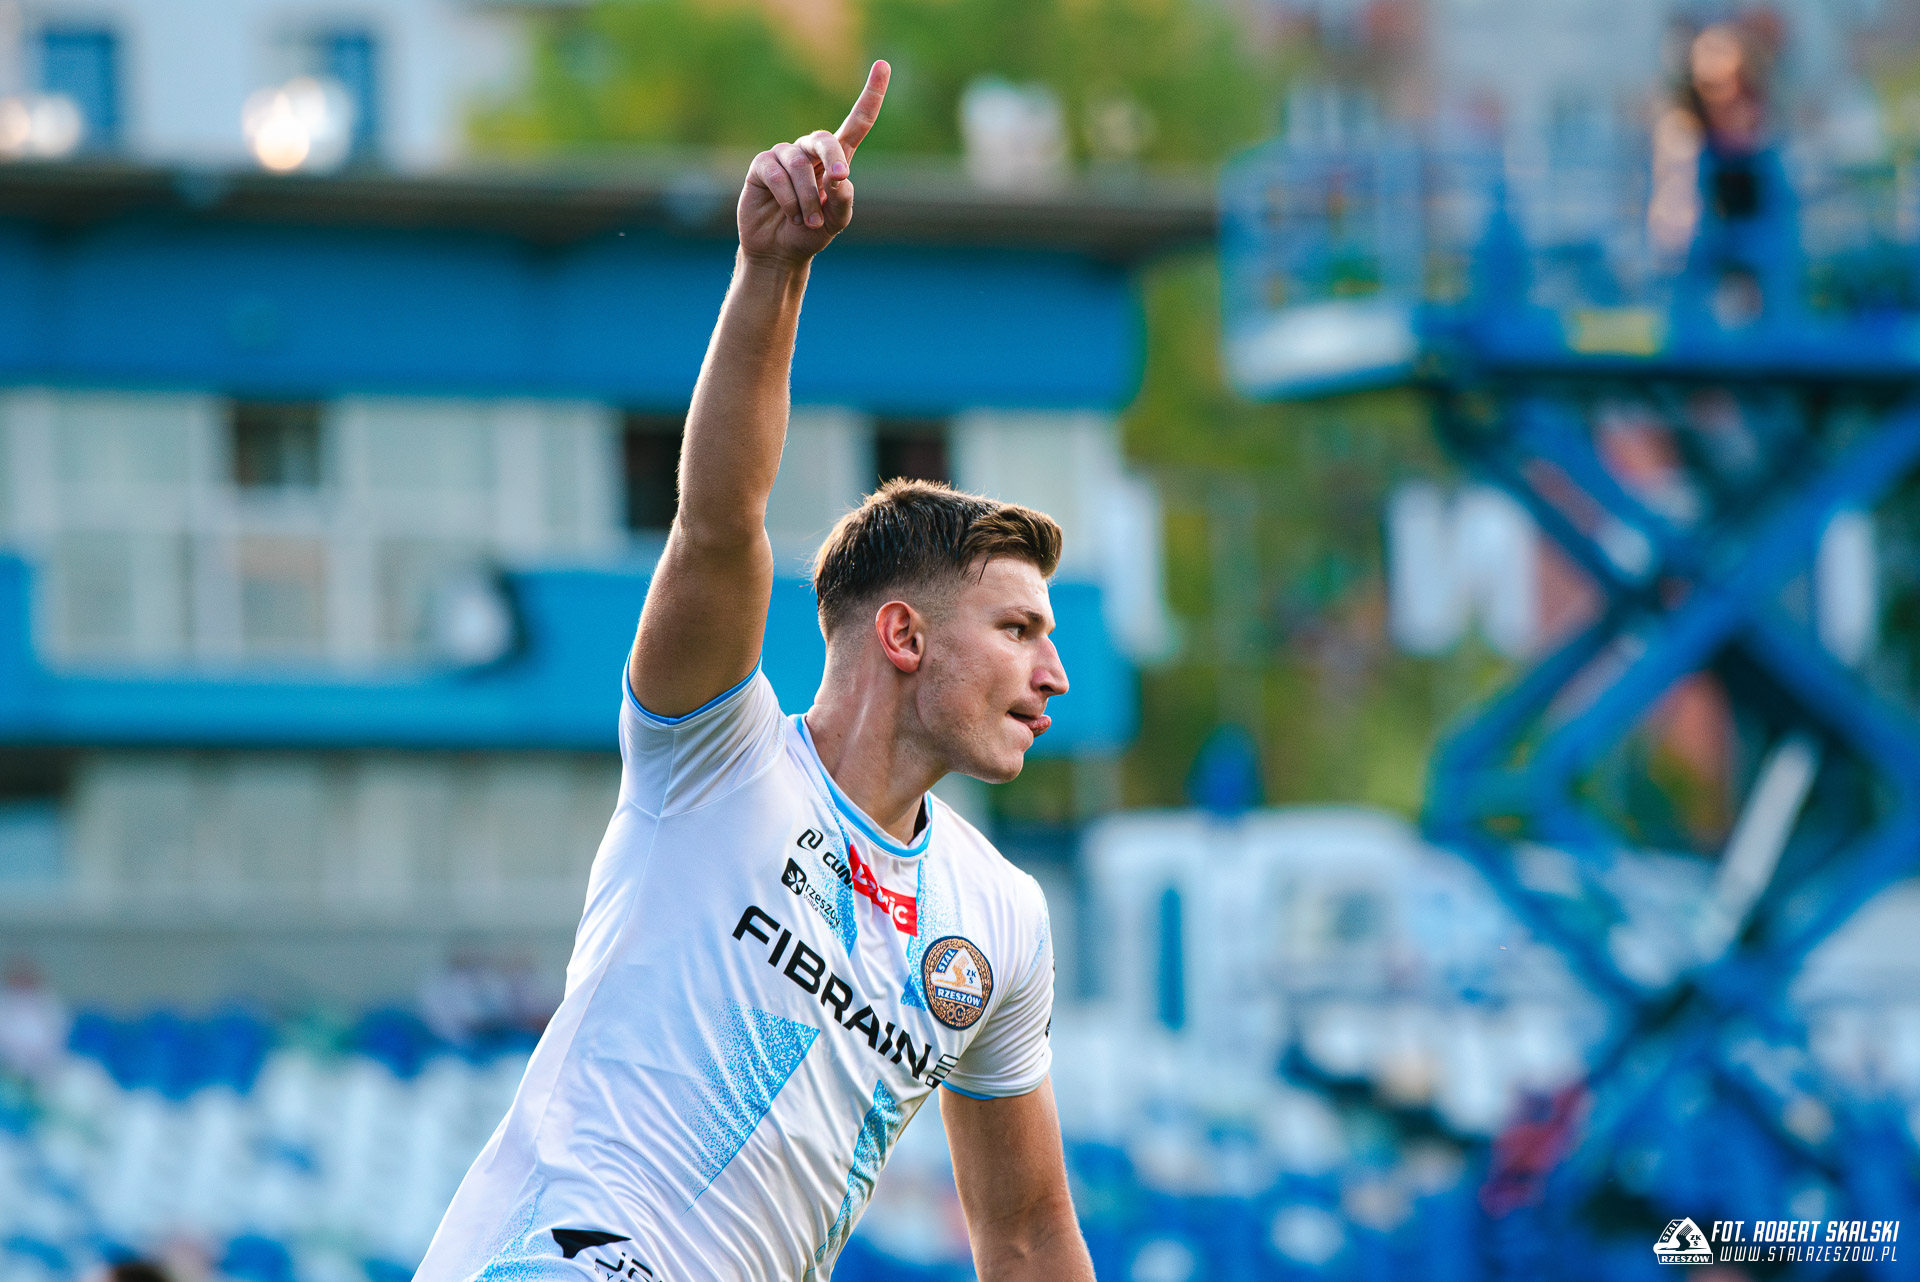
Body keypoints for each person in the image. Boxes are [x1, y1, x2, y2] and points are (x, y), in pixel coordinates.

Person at [416, 62, 1093, 1282]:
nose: (1053, 674)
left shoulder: (1000, 920)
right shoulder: (715, 754)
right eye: (1018, 630)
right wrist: (773, 271)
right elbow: (720, 525)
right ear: (904, 635)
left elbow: (1029, 1231)